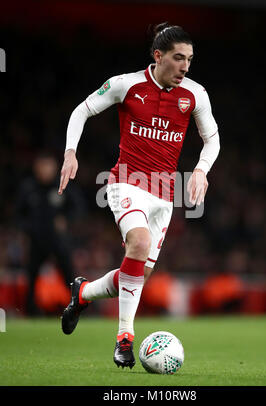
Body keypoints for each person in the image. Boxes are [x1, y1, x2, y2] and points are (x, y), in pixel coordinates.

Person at [59, 22, 220, 369]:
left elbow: (213, 139)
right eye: (179, 58)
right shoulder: (126, 85)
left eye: (190, 60)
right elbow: (82, 110)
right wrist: (71, 152)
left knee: (137, 273)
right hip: (125, 182)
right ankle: (124, 339)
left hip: (164, 196)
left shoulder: (195, 95)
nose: (185, 67)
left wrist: (202, 169)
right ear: (158, 56)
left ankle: (83, 292)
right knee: (139, 244)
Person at [16, 151, 85, 315]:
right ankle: (29, 313)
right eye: (42, 166)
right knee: (31, 277)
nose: (45, 170)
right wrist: (28, 228)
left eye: (48, 165)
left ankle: (77, 309)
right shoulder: (28, 188)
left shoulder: (63, 185)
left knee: (69, 276)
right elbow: (18, 214)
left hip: (58, 241)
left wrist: (66, 220)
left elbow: (79, 208)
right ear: (36, 168)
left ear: (55, 167)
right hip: (36, 241)